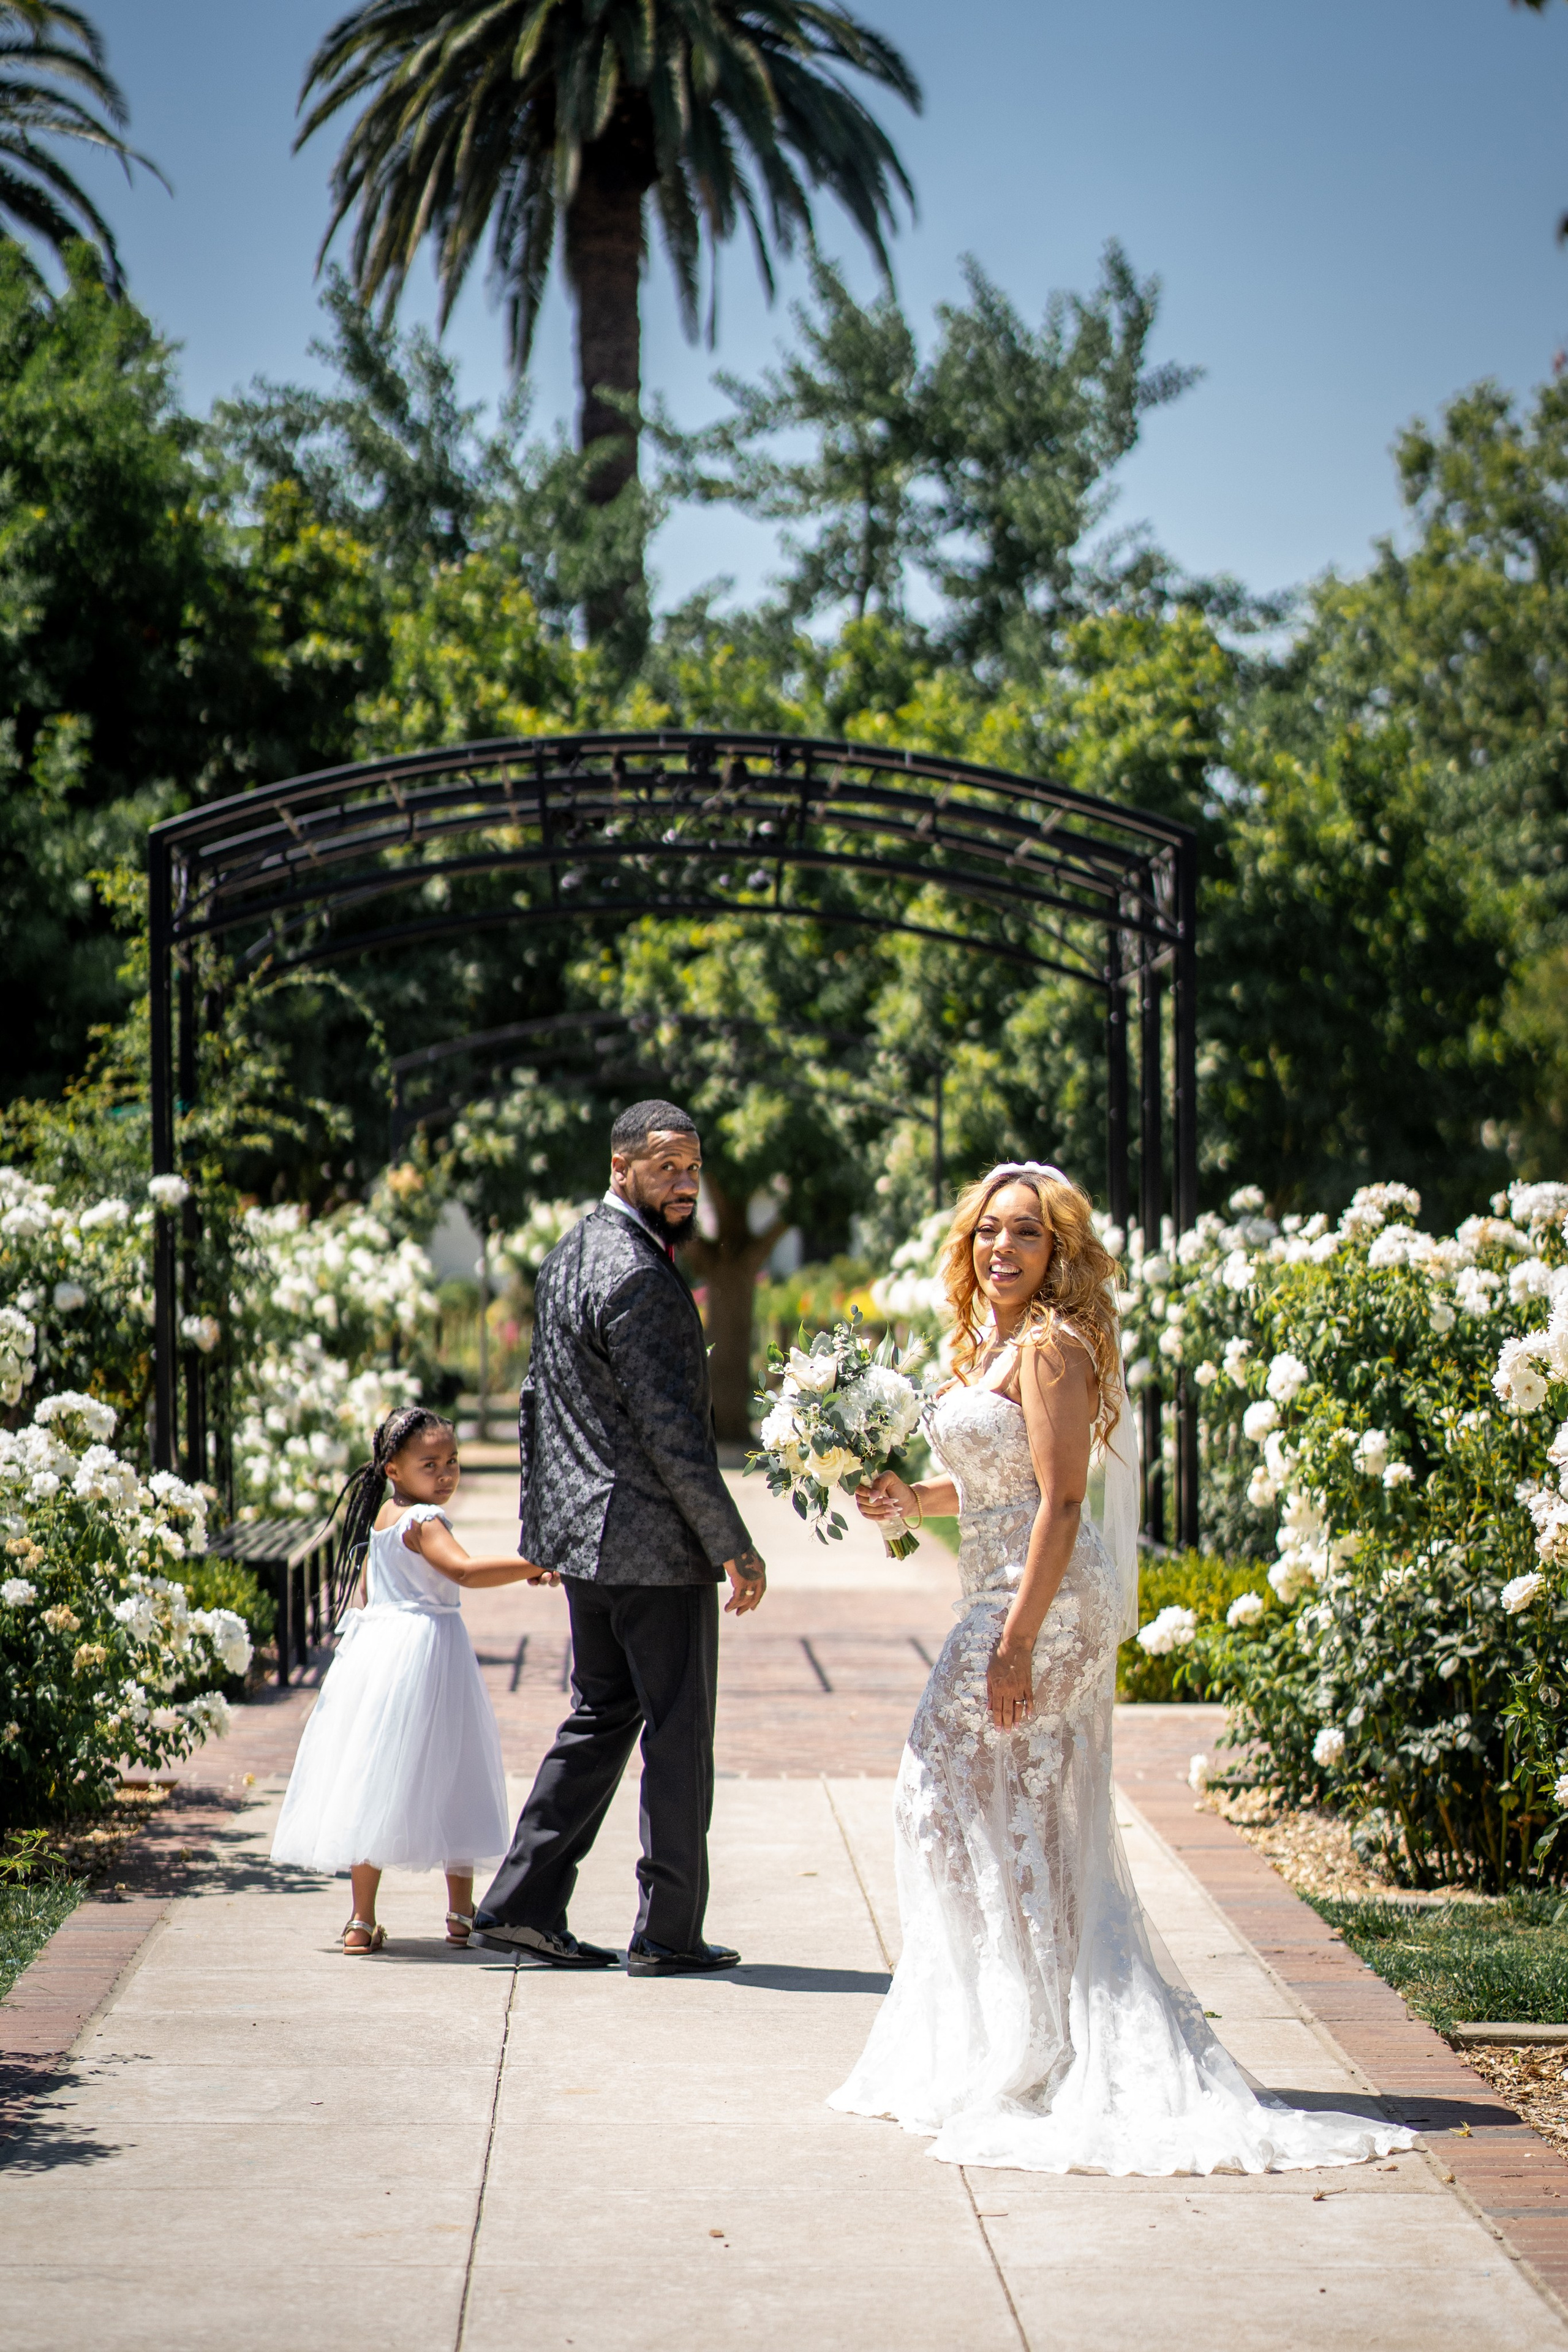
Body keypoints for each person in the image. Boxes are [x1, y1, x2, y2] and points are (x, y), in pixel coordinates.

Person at [834, 1163, 1414, 2175]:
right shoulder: (988, 1344)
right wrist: (905, 1501)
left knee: (942, 1789)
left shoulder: (1054, 1348)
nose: (1002, 1250)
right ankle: (1019, 2031)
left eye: (1026, 1234)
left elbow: (1059, 1505)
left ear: (1058, 1251)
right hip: (1010, 1585)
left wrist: (1014, 1640)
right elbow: (994, 1487)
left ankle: (1040, 2038)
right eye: (988, 1233)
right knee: (1000, 1809)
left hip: (1044, 1603)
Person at [473, 1099, 767, 1976]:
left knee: (601, 1717)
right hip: (648, 1547)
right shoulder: (636, 1272)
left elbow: (541, 1403)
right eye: (667, 1166)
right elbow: (670, 1431)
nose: (685, 1183)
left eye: (693, 1168)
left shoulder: (572, 1253)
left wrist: (548, 1533)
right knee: (676, 1732)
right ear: (620, 1167)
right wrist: (733, 1543)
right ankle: (669, 1933)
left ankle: (522, 1903)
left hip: (593, 1544)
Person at [271, 1405, 551, 1954]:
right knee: (454, 1767)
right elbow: (464, 1571)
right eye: (430, 1464)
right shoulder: (424, 1521)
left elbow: (373, 1595)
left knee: (373, 1777)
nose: (445, 1474)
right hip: (430, 1650)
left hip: (379, 1654)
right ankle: (460, 1911)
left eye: (452, 1461)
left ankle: (361, 1919)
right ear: (393, 1469)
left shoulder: (382, 1518)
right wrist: (533, 1562)